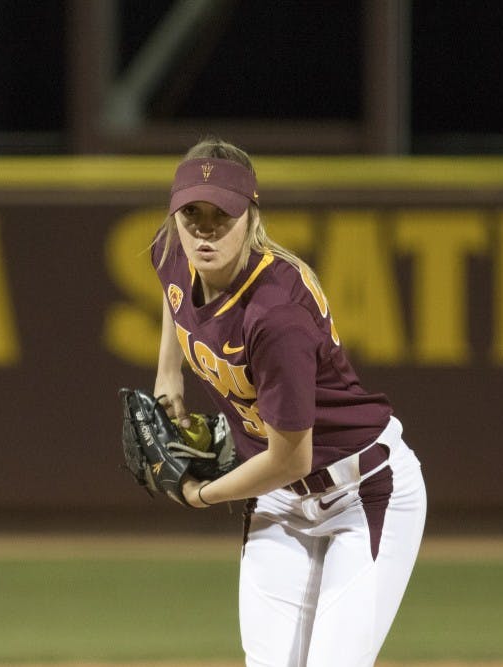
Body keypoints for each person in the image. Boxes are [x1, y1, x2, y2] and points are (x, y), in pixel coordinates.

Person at [151, 137, 427, 667]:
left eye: (221, 216)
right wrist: (170, 385)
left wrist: (199, 494)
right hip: (278, 498)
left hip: (363, 491)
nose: (204, 230)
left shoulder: (274, 315)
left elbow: (290, 458)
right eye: (192, 215)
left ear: (250, 217)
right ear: (174, 216)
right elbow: (173, 298)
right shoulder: (172, 251)